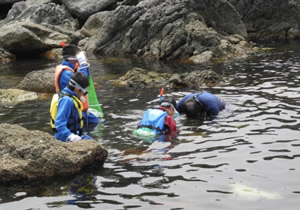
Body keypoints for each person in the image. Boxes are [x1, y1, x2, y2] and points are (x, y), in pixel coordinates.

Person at [54, 44, 99, 130]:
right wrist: (83, 64)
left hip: (78, 107)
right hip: (73, 111)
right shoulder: (66, 73)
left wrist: (83, 64)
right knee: (96, 123)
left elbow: (86, 79)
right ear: (71, 58)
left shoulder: (71, 68)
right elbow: (82, 82)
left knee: (97, 122)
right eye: (79, 55)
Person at [53, 72, 93, 142]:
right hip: (65, 138)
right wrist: (70, 136)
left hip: (75, 133)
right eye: (84, 93)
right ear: (77, 90)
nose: (83, 95)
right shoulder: (67, 101)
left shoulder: (67, 94)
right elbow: (59, 124)